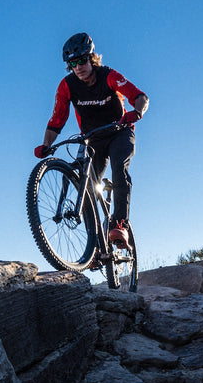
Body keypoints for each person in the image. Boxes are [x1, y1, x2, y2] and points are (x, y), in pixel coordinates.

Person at [34, 32, 148, 248]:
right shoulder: (66, 86)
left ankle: (120, 224)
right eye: (73, 63)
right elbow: (57, 119)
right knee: (86, 185)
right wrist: (46, 146)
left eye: (82, 60)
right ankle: (95, 245)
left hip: (119, 131)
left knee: (118, 169)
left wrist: (137, 112)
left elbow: (140, 96)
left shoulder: (108, 75)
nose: (78, 67)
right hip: (93, 139)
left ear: (91, 57)